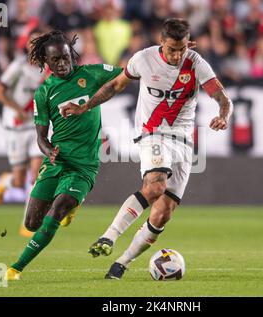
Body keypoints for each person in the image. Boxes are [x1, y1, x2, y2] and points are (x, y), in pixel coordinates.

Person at [60, 18, 234, 279]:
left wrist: (224, 115)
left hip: (184, 142)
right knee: (155, 186)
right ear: (161, 42)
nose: (177, 55)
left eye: (182, 49)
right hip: (152, 134)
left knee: (163, 213)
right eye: (172, 49)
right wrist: (86, 106)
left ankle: (121, 264)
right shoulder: (143, 59)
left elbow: (223, 98)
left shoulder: (196, 63)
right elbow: (114, 85)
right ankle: (109, 236)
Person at [4, 30, 123, 281]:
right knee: (31, 224)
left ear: (72, 54)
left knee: (56, 210)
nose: (62, 64)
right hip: (57, 160)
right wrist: (48, 150)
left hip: (83, 165)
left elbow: (127, 73)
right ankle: (72, 205)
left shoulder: (91, 73)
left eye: (65, 57)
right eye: (55, 60)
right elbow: (41, 136)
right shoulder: (44, 92)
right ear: (46, 63)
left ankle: (16, 268)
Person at [0, 30, 46, 238]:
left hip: (34, 128)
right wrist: (16, 109)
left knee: (35, 175)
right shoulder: (17, 67)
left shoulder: (46, 69)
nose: (36, 45)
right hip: (14, 127)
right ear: (26, 44)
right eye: (33, 41)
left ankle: (27, 222)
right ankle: (5, 181)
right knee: (18, 181)